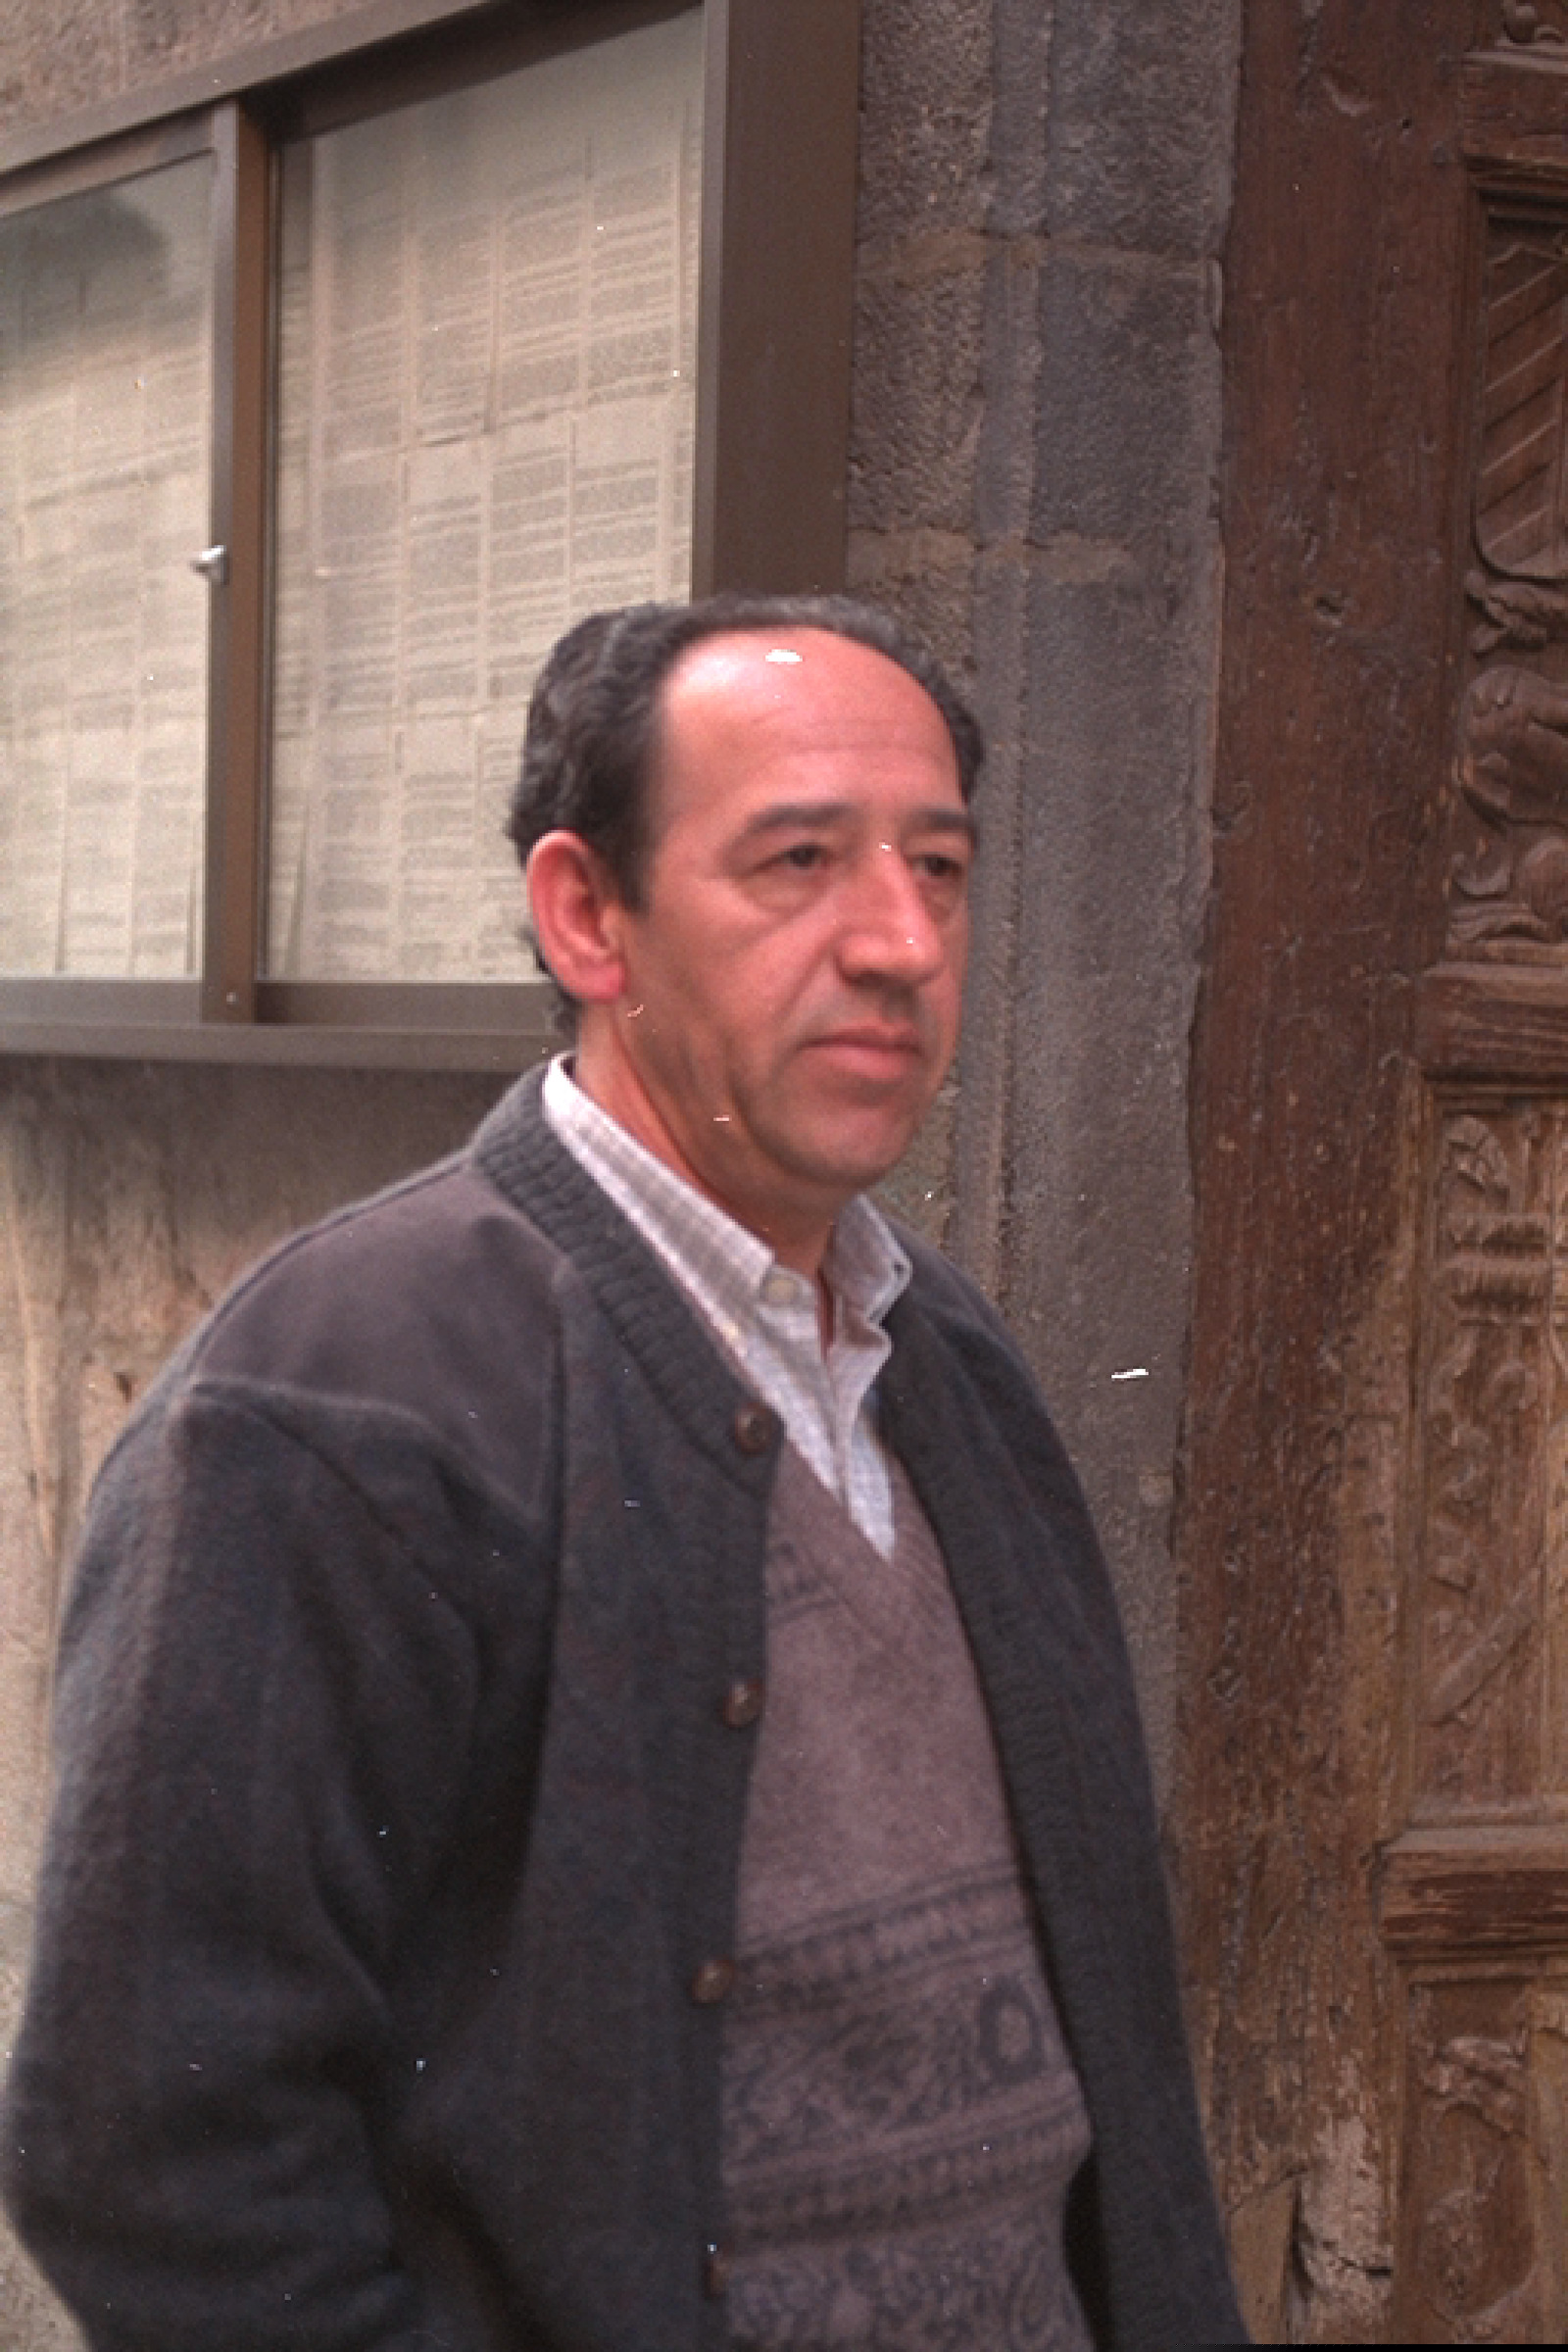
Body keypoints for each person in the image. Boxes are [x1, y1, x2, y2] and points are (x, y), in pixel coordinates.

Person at [1, 594, 1246, 2350]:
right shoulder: (339, 1402)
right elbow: (151, 2150)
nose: (900, 941)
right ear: (589, 915)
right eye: (799, 862)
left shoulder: (947, 1359)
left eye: (940, 869)